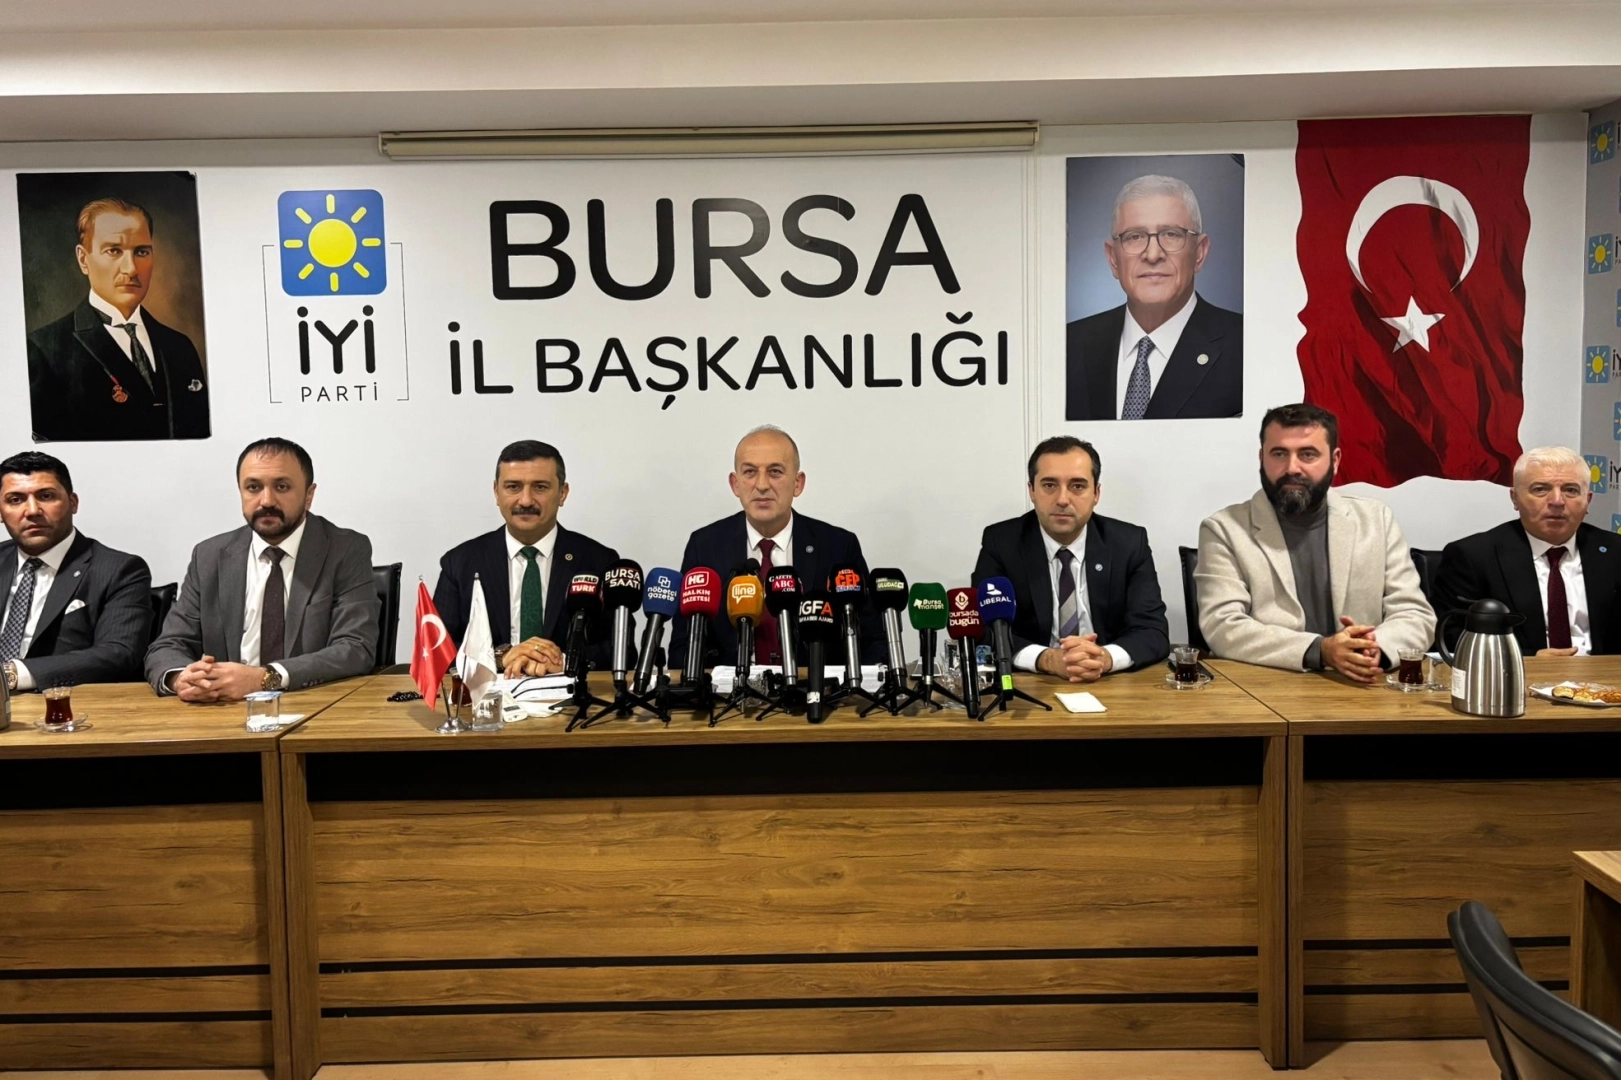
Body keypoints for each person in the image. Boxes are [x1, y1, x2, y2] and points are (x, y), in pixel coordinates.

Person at [1195, 404, 1435, 680]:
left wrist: (1373, 648)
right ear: (1261, 458)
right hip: (1268, 686)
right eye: (1279, 454)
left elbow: (1415, 614)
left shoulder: (1376, 520)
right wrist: (1320, 650)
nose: (1292, 468)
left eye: (1307, 454)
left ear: (1335, 460)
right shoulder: (1224, 529)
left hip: (1364, 684)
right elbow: (1222, 627)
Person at [145, 438, 378, 700]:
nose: (266, 500)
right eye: (253, 487)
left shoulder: (344, 549)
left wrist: (265, 678)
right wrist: (181, 678)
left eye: (282, 487)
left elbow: (355, 647)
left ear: (309, 496)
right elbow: (168, 645)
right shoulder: (209, 556)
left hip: (312, 704)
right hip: (223, 708)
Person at [672, 426, 882, 671]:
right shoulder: (705, 546)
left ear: (798, 483)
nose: (762, 485)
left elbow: (872, 642)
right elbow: (682, 647)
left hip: (816, 691)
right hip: (730, 692)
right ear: (735, 484)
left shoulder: (838, 546)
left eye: (775, 472)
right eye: (750, 472)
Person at [972, 436, 1169, 681]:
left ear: (1096, 493)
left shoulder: (1128, 544)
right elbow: (982, 629)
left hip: (1110, 683)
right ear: (1032, 490)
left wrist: (1104, 658)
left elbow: (1153, 631)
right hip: (1033, 683)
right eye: (1049, 485)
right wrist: (1046, 659)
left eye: (1077, 486)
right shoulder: (1002, 542)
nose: (1063, 499)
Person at [433, 440, 627, 677]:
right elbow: (436, 651)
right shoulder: (460, 563)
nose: (525, 500)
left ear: (563, 493)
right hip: (488, 695)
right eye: (513, 487)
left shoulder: (599, 561)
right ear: (496, 492)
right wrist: (500, 658)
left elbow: (623, 651)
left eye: (540, 487)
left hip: (569, 694)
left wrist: (566, 661)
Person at [27, 197, 210, 442]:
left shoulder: (180, 347)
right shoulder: (43, 351)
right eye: (114, 251)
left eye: (141, 252)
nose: (131, 269)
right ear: (83, 259)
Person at [1065, 174, 1243, 421]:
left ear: (1199, 253)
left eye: (1171, 234)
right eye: (1134, 236)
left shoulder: (1245, 345)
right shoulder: (1067, 346)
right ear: (1113, 259)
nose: (1152, 254)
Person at [1433, 446, 1619, 655]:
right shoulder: (1473, 557)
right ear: (1515, 498)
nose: (1557, 501)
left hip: (1604, 674)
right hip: (1517, 672)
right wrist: (1528, 661)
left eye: (1571, 490)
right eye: (1540, 489)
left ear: (1588, 500)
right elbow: (1453, 637)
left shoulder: (1615, 552)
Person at [1, 451, 152, 692]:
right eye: (15, 500)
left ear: (73, 503)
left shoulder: (119, 569)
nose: (32, 510)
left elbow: (118, 653)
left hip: (61, 703)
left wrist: (10, 675)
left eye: (46, 496)